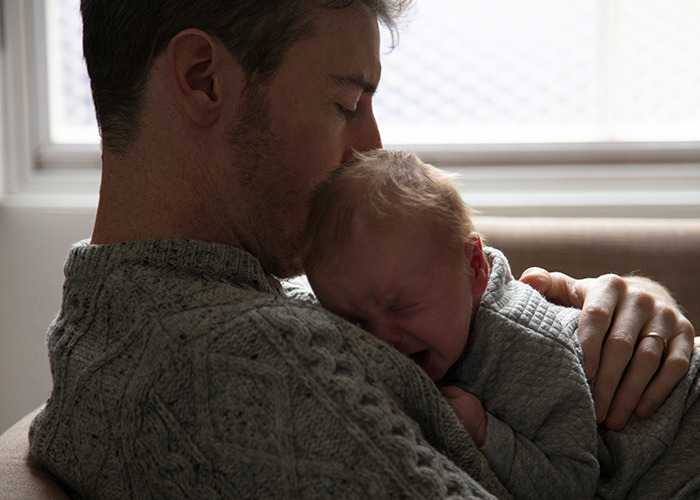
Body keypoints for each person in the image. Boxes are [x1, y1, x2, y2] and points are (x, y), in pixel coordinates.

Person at [28, 1, 694, 498]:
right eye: (346, 102)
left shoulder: (140, 312)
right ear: (204, 79)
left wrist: (607, 312)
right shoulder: (239, 366)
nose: (371, 147)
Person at [300, 148, 700, 499]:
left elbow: (571, 482)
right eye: (352, 320)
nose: (381, 338)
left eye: (403, 306)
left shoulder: (521, 347)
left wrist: (484, 433)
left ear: (474, 266)